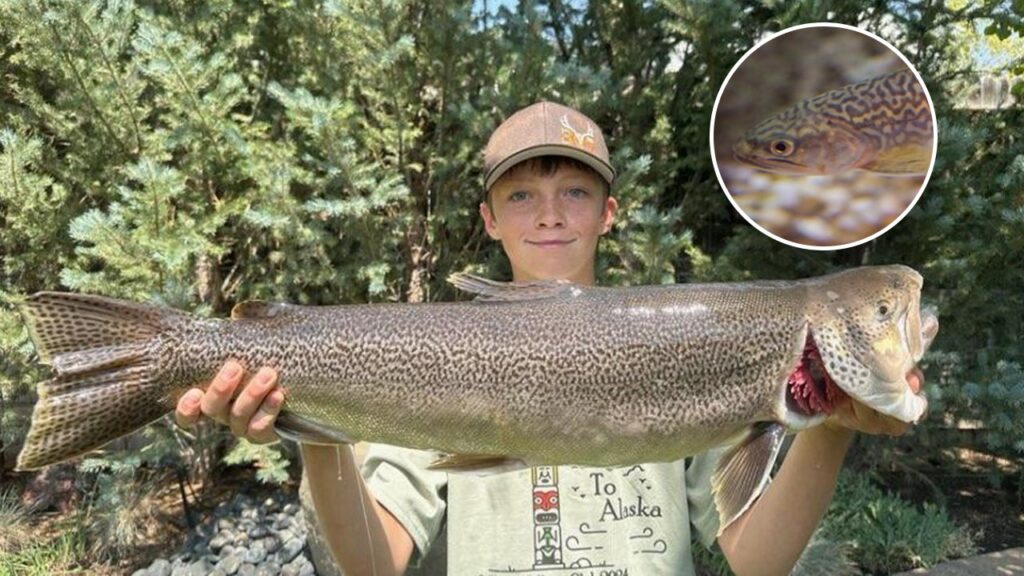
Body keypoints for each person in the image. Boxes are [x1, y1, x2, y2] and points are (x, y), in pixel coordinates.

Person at [175, 101, 925, 575]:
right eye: (522, 194)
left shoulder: (693, 347)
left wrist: (831, 427)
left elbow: (755, 563)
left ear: (608, 212)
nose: (550, 214)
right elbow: (377, 566)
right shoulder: (438, 364)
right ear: (490, 219)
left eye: (575, 190)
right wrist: (316, 426)